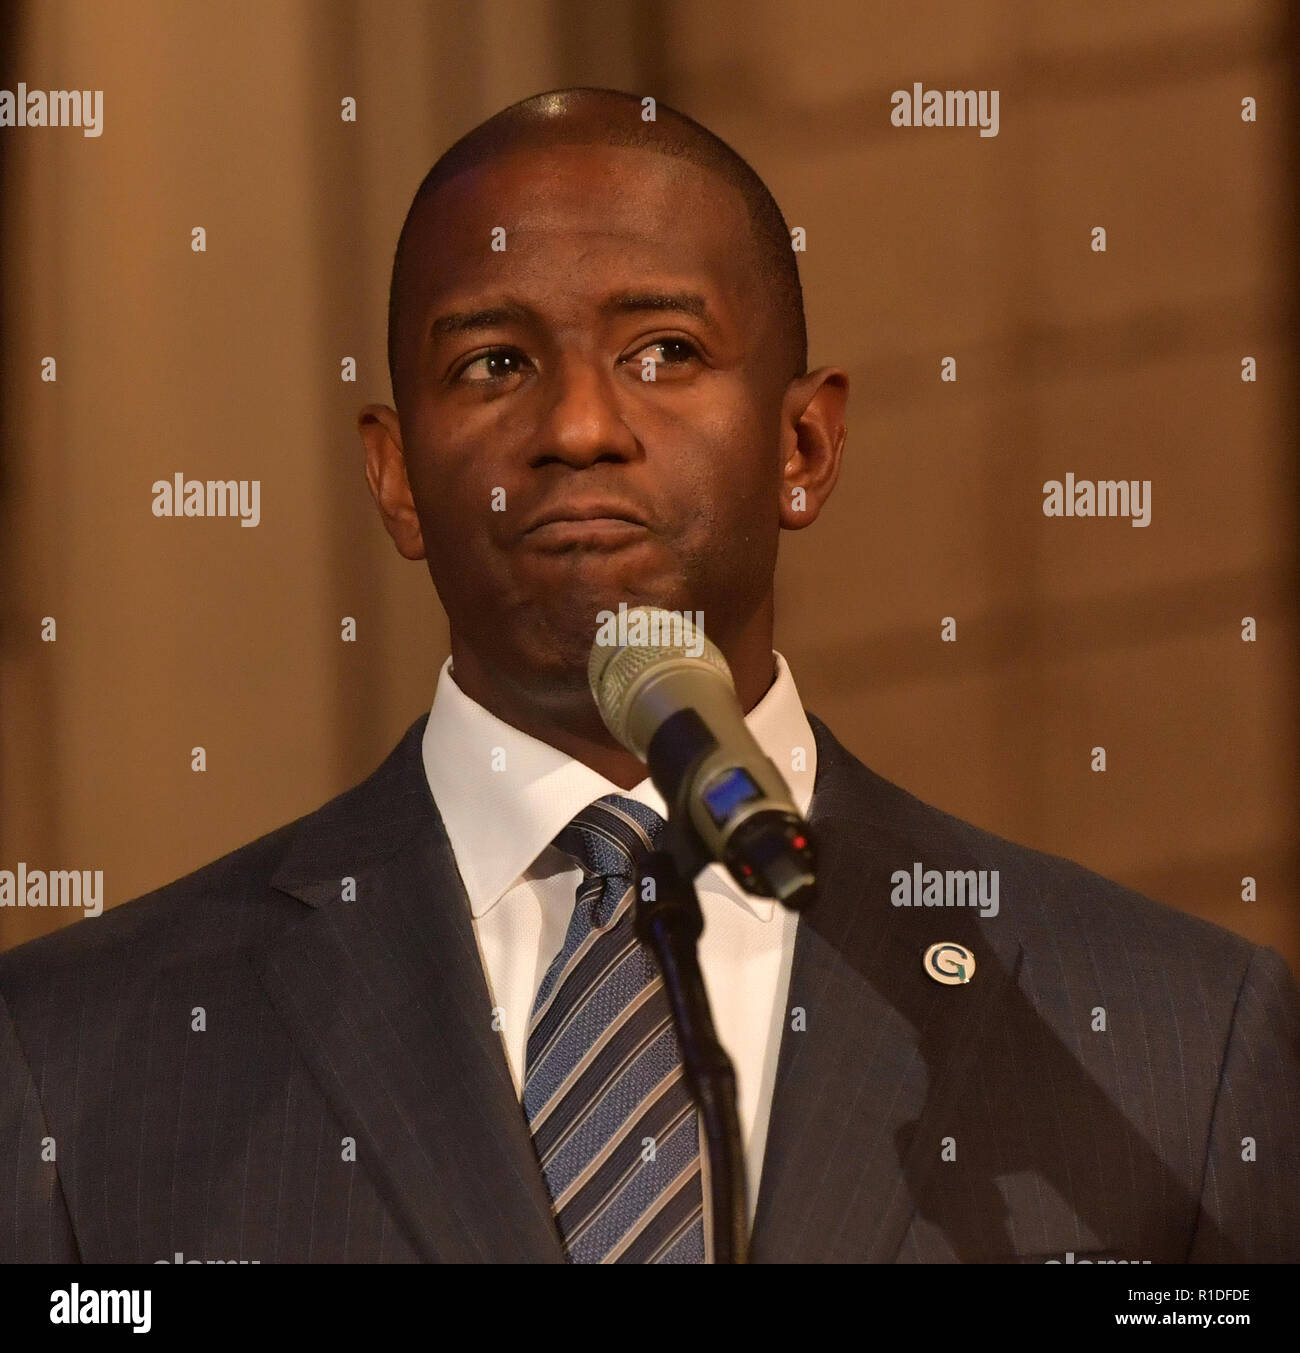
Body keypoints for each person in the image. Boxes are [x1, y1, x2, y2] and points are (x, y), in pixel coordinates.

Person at [1, 87, 1296, 1265]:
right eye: (494, 364)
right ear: (394, 476)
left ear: (805, 440)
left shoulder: (1174, 1041)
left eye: (664, 351)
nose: (578, 426)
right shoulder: (72, 1061)